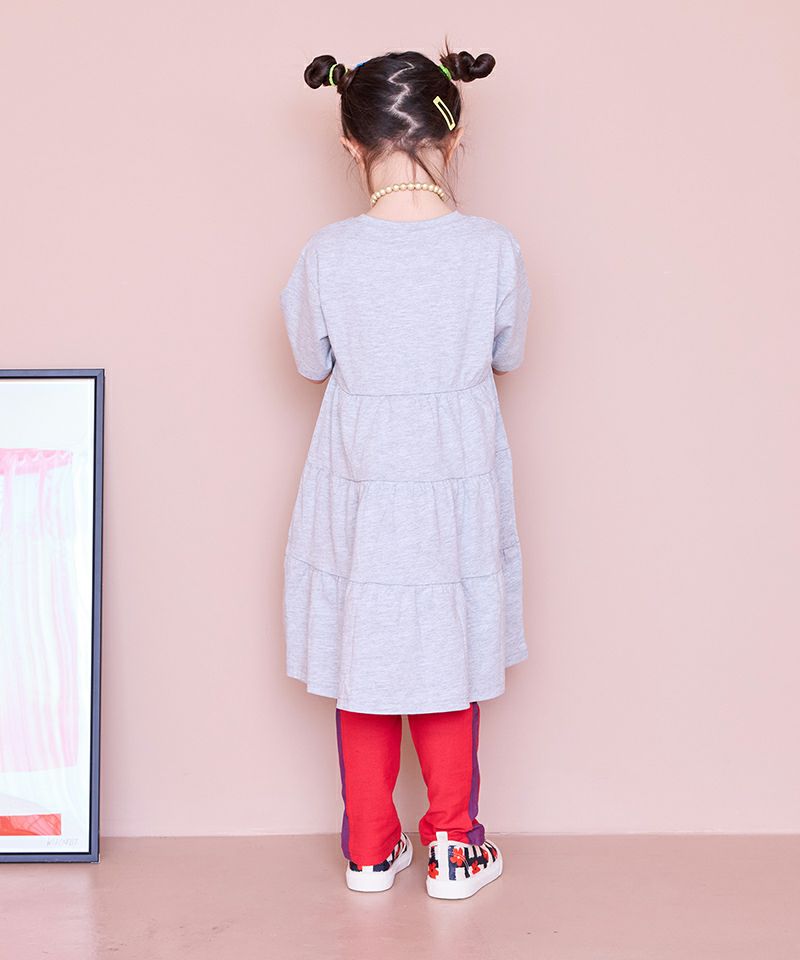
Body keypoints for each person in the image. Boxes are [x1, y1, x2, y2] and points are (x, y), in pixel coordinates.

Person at [279, 43, 531, 900]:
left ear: (350, 143)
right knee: (445, 649)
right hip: (454, 470)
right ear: (453, 135)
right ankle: (455, 846)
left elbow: (310, 362)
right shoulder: (492, 248)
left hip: (360, 473)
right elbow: (508, 352)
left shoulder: (327, 253)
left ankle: (368, 848)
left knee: (366, 652)